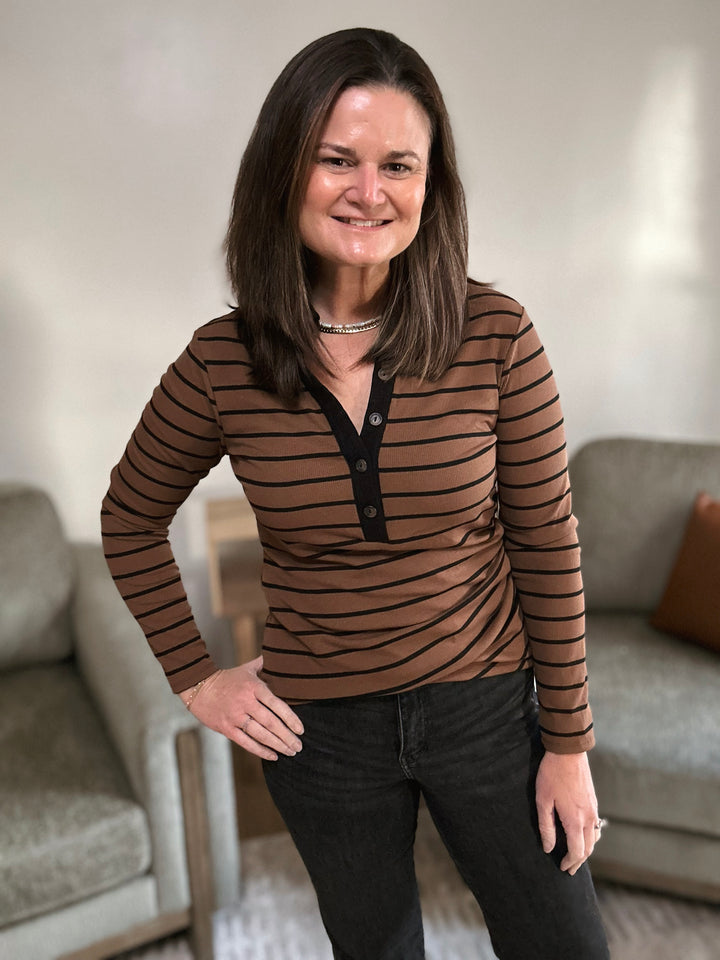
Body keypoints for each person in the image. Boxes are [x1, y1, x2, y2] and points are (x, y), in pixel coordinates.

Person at [102, 27, 610, 960]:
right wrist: (197, 677)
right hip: (322, 735)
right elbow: (129, 519)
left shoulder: (496, 333)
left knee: (564, 945)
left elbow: (547, 540)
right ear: (284, 169)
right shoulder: (222, 360)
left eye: (398, 165)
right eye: (337, 159)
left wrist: (569, 746)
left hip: (489, 711)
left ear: (430, 185)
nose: (368, 191)